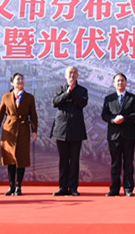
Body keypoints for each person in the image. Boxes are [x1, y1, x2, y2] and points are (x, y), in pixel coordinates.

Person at [0, 73, 38, 196]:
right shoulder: (6, 97)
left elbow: (33, 115)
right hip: (9, 129)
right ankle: (11, 186)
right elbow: (0, 114)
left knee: (21, 158)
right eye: (18, 79)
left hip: (23, 128)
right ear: (12, 83)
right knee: (10, 158)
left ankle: (19, 186)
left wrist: (34, 131)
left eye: (22, 79)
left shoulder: (29, 97)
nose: (20, 81)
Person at [101, 73, 135, 197]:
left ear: (126, 83)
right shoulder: (109, 98)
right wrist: (113, 120)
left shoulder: (133, 98)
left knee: (128, 162)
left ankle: (128, 188)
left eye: (122, 80)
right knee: (115, 162)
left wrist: (125, 118)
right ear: (114, 84)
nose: (120, 83)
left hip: (129, 135)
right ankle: (114, 188)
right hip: (114, 135)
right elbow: (104, 115)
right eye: (117, 81)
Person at [51, 65, 88, 196]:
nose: (72, 75)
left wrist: (73, 91)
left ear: (77, 75)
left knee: (74, 160)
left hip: (76, 129)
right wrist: (67, 93)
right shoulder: (59, 89)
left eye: (74, 73)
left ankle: (73, 187)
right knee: (63, 160)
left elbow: (82, 103)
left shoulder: (82, 90)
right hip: (61, 129)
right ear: (65, 75)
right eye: (69, 73)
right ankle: (62, 187)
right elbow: (55, 102)